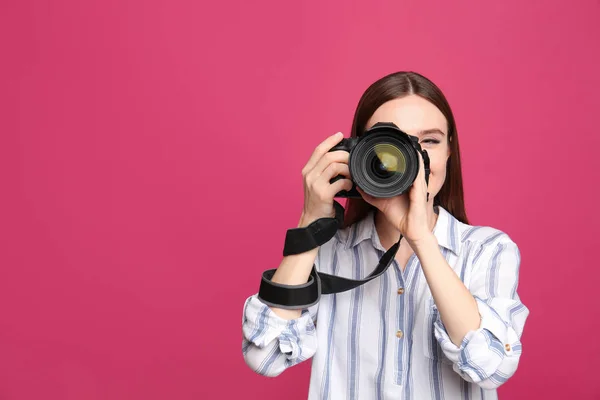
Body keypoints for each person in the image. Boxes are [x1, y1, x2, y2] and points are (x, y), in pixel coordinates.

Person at [241, 71, 529, 400]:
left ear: (450, 152)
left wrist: (421, 238)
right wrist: (310, 222)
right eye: (393, 142)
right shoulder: (330, 252)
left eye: (430, 141)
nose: (410, 157)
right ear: (359, 153)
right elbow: (264, 356)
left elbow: (492, 366)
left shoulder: (487, 251)